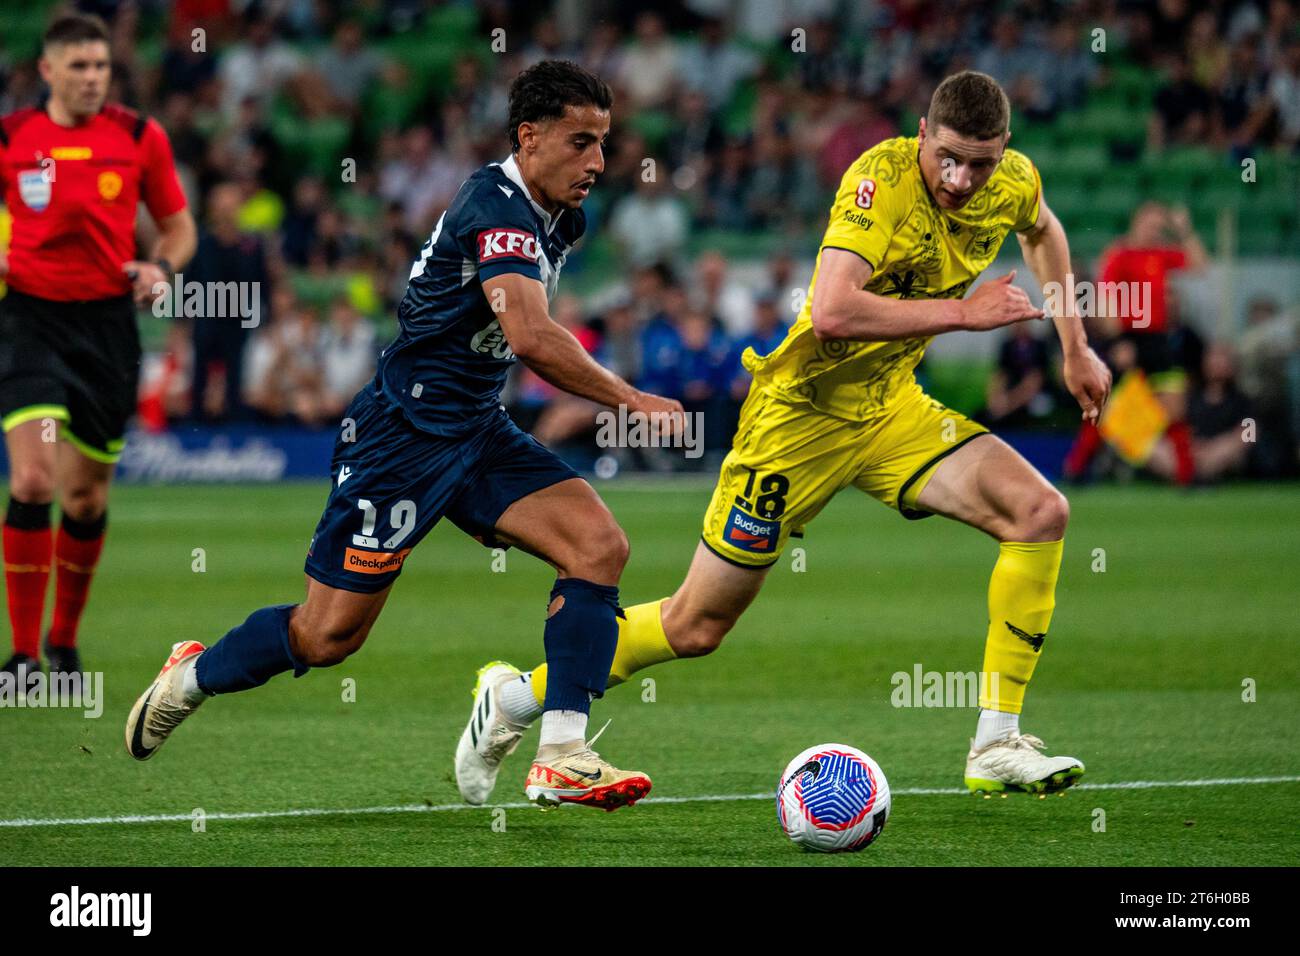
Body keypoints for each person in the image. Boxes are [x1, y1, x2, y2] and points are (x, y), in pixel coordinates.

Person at [462, 70, 1113, 802]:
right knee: (695, 625)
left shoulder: (1012, 180)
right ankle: (519, 698)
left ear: (1005, 154)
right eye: (949, 157)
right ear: (923, 135)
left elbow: (1044, 231)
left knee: (1041, 512)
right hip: (796, 420)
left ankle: (996, 742)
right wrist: (965, 315)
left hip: (888, 407)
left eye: (982, 163)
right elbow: (833, 311)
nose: (962, 180)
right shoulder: (881, 181)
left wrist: (1075, 346)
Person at [123, 61, 683, 813]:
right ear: (530, 136)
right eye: (581, 142)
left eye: (604, 143)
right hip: (401, 437)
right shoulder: (497, 206)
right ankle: (190, 675)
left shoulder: (560, 214)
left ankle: (561, 752)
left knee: (599, 547)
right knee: (327, 639)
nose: (598, 163)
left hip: (478, 430)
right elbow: (528, 335)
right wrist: (629, 397)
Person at [0, 13, 196, 688]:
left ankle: (63, 644)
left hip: (107, 329)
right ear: (47, 70)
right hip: (27, 321)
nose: (91, 78)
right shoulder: (11, 138)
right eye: (78, 66)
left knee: (84, 500)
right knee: (32, 480)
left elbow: (178, 229)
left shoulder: (139, 136)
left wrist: (160, 270)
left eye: (100, 66)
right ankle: (22, 658)